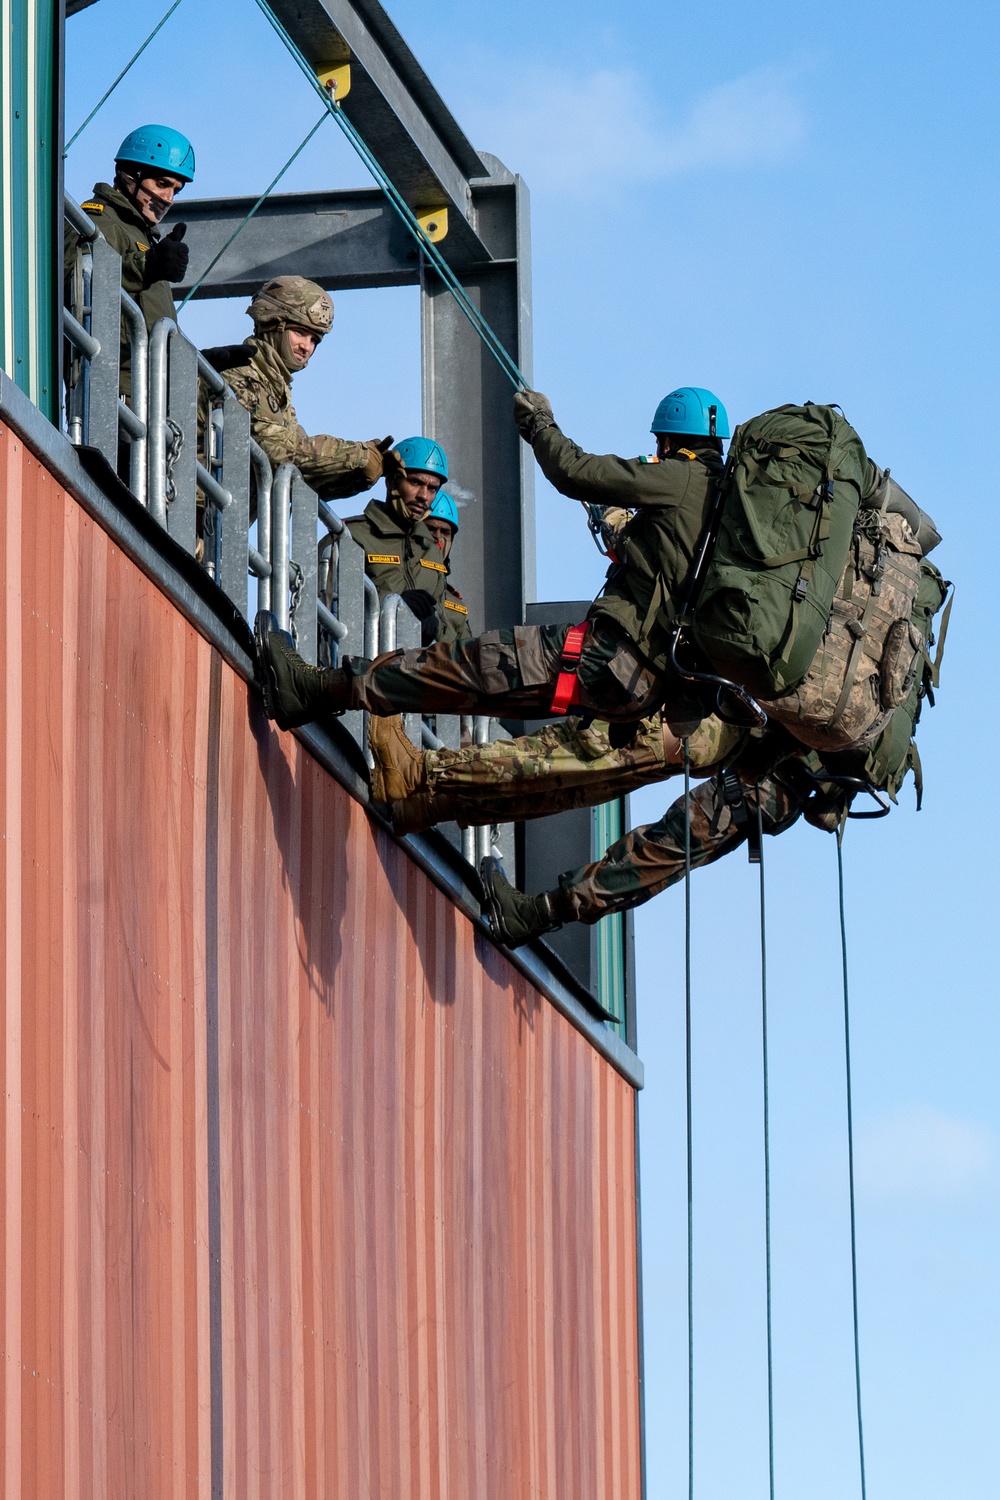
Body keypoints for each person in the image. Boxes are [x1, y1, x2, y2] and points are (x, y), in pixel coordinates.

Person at [253, 385, 728, 730]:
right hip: (646, 684)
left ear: (667, 442)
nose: (422, 496)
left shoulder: (681, 478)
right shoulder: (722, 510)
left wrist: (540, 424)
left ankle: (316, 690)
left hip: (607, 658)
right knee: (472, 685)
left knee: (461, 667)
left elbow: (574, 470)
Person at [202, 277, 390, 501]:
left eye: (314, 340)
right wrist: (358, 455)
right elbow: (278, 451)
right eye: (299, 332)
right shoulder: (241, 373)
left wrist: (358, 476)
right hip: (190, 511)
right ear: (273, 324)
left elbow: (298, 478)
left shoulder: (275, 387)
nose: (307, 347)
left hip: (215, 522)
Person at [70, 124, 195, 395]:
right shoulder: (96, 221)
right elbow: (78, 279)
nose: (168, 199)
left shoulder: (146, 238)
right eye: (162, 184)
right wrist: (147, 266)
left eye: (176, 190)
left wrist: (198, 365)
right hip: (112, 396)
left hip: (151, 401)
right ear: (130, 175)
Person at [344, 445, 471, 644]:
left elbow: (446, 625)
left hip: (417, 668)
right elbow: (329, 606)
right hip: (365, 662)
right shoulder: (352, 536)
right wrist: (395, 608)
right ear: (392, 481)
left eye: (432, 489)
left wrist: (433, 626)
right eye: (415, 482)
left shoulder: (430, 550)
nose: (423, 496)